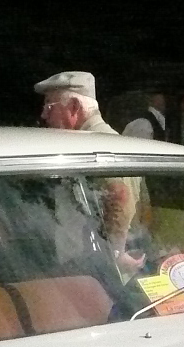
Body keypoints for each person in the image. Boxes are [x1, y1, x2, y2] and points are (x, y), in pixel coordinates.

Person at [34, 71, 141, 275]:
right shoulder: (112, 142)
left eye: (49, 107)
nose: (44, 115)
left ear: (74, 107)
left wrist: (114, 255)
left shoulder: (94, 147)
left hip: (93, 271)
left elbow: (120, 196)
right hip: (94, 269)